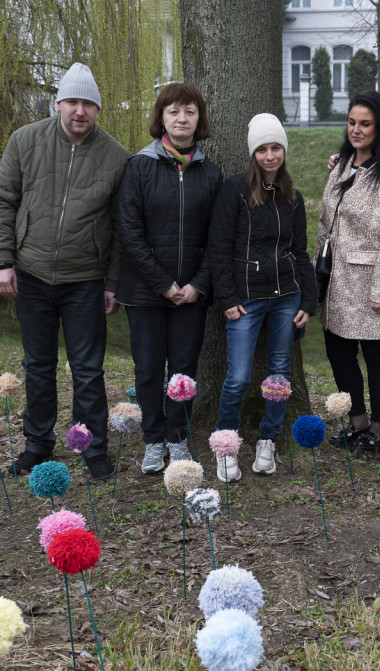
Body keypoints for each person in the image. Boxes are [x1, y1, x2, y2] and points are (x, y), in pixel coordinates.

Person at [0, 62, 130, 480]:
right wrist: (2, 260)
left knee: (88, 370)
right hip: (29, 274)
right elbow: (1, 200)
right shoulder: (25, 140)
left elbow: (121, 229)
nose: (79, 111)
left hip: (85, 279)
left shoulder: (117, 157)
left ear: (98, 109)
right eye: (72, 102)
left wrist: (111, 283)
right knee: (38, 365)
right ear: (59, 104)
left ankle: (92, 447)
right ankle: (37, 445)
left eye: (88, 103)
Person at [117, 83, 222, 474]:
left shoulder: (210, 173)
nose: (182, 118)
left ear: (199, 119)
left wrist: (198, 284)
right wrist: (162, 282)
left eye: (190, 112)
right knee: (147, 370)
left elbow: (218, 237)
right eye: (174, 111)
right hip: (145, 292)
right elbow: (130, 232)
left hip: (192, 294)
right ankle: (152, 439)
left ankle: (177, 439)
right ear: (161, 117)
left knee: (183, 370)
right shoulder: (139, 166)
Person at [208, 113, 316, 481]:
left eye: (276, 148)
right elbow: (219, 248)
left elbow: (300, 252)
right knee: (237, 377)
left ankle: (268, 440)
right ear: (253, 153)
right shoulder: (235, 191)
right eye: (263, 149)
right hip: (246, 299)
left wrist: (307, 301)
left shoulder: (293, 198)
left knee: (279, 376)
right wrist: (226, 297)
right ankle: (225, 446)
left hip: (286, 296)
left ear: (283, 150)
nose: (270, 156)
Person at [316, 91, 380, 456]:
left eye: (365, 124)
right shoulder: (341, 165)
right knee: (338, 351)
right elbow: (326, 222)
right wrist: (317, 275)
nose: (357, 130)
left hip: (371, 280)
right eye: (352, 122)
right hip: (337, 280)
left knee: (377, 357)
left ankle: (378, 429)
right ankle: (356, 421)